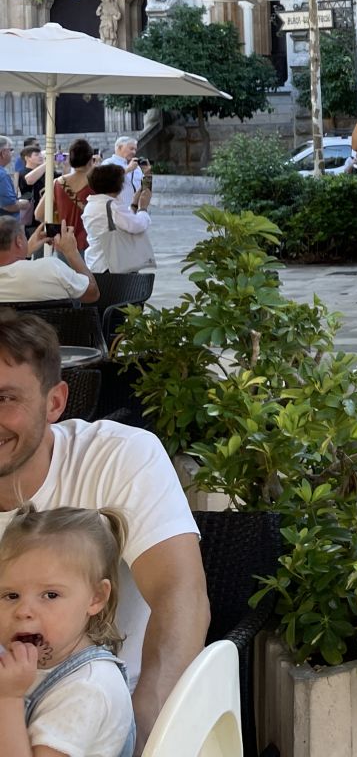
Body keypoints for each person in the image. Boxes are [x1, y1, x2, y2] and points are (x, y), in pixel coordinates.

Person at [0, 311, 205, 743]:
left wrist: (147, 733)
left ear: (55, 402)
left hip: (98, 726)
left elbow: (179, 594)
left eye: (6, 399)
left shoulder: (118, 457)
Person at [0, 505, 136, 756]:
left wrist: (8, 699)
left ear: (95, 598)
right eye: (11, 595)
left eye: (50, 595)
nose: (23, 611)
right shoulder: (20, 666)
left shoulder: (87, 689)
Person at [0, 218, 99, 305]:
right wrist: (72, 252)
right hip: (53, 326)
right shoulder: (50, 268)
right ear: (19, 241)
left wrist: (26, 252)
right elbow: (92, 294)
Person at [82, 166, 154, 275]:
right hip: (113, 267)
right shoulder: (112, 207)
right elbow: (137, 225)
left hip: (96, 263)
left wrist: (134, 204)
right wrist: (143, 207)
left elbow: (123, 221)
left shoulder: (92, 204)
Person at [53, 141, 95, 255]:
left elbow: (39, 214)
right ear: (91, 160)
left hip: (64, 242)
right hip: (90, 242)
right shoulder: (96, 182)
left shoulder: (57, 183)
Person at [0, 139, 19, 220]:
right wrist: (26, 204)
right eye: (10, 150)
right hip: (6, 226)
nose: (12, 153)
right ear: (3, 153)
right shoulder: (2, 175)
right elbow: (9, 206)